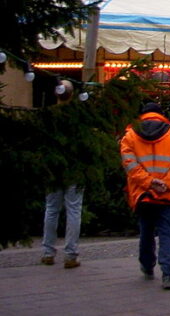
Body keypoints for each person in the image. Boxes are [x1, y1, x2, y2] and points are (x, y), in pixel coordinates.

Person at [120, 102, 170, 290]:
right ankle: (167, 273)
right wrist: (166, 183)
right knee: (167, 233)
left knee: (146, 231)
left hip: (143, 194)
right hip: (169, 194)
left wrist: (149, 183)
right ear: (161, 115)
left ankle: (147, 265)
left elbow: (130, 165)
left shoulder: (130, 136)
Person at [40, 80, 82, 269]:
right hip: (73, 168)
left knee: (51, 209)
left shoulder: (48, 116)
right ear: (71, 95)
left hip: (52, 168)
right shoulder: (78, 117)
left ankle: (48, 252)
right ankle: (70, 254)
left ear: (56, 95)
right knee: (73, 210)